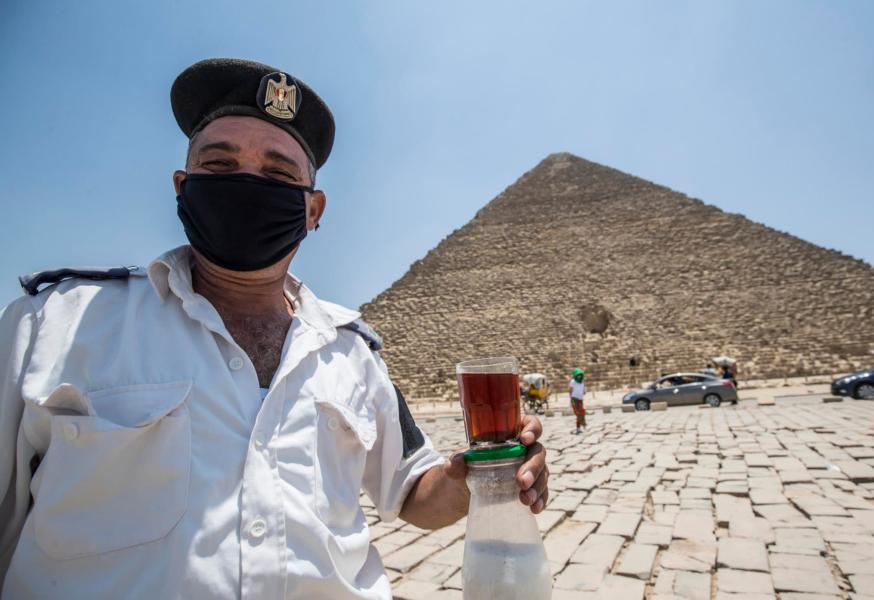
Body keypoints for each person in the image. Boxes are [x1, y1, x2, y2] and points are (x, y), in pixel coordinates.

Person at [0, 58, 548, 599]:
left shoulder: (351, 351)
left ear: (314, 210)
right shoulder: (52, 327)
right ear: (180, 187)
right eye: (219, 164)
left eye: (279, 174)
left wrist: (476, 477)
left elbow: (412, 492)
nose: (246, 184)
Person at [569, 367, 587, 434]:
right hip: (574, 399)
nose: (579, 376)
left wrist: (584, 391)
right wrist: (570, 399)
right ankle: (579, 428)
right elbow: (570, 391)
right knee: (578, 413)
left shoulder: (582, 382)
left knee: (581, 413)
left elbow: (583, 390)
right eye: (577, 375)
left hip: (580, 399)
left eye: (580, 375)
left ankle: (579, 427)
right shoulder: (572, 382)